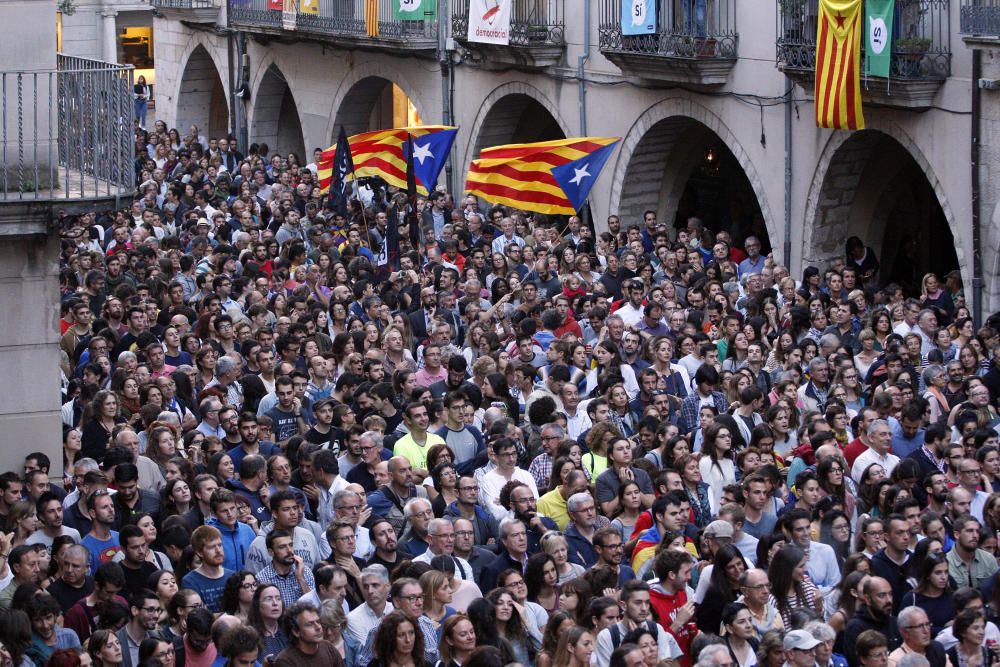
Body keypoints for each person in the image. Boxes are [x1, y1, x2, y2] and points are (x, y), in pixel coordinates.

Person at [272, 602, 346, 667]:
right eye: (310, 624)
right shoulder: (285, 661)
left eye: (318, 621)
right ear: (296, 631)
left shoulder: (328, 648)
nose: (318, 627)